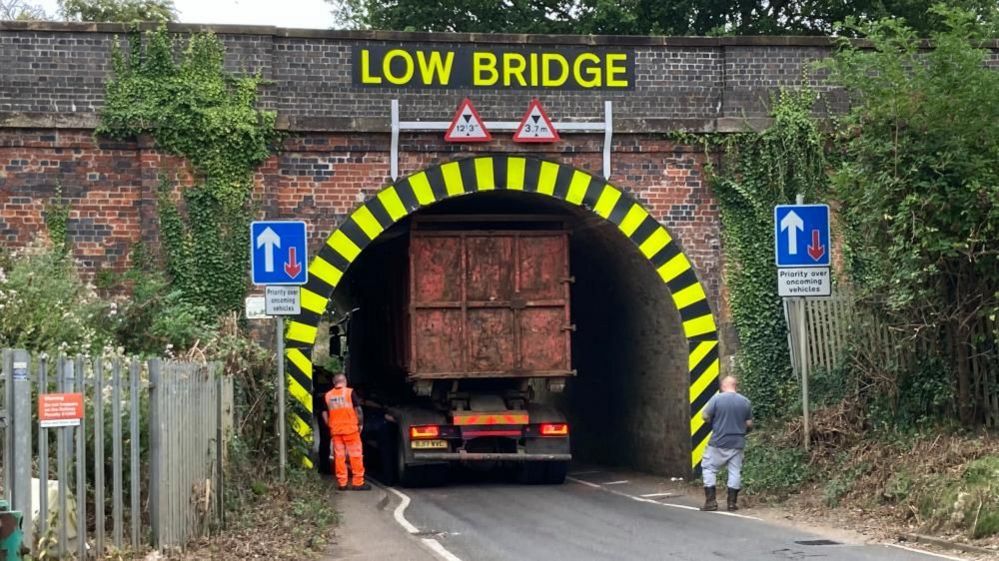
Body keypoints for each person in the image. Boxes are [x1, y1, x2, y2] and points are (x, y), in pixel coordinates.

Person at [700, 375, 753, 511]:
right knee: (735, 471)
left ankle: (711, 502)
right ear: (736, 386)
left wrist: (711, 422)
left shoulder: (717, 399)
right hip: (737, 442)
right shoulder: (745, 401)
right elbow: (749, 424)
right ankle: (731, 503)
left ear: (724, 386)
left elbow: (705, 415)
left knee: (709, 468)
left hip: (718, 441)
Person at [321, 373, 370, 491]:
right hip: (351, 430)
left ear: (334, 383)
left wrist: (329, 424)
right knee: (355, 455)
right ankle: (358, 482)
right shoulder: (349, 392)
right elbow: (358, 409)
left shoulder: (328, 395)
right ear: (345, 381)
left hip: (336, 431)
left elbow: (324, 412)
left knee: (339, 456)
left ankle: (342, 483)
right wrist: (361, 423)